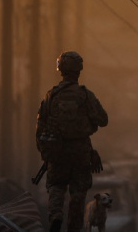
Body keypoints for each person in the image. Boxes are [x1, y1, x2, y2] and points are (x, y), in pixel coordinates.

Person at [36, 51, 109, 232]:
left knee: (56, 186)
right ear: (79, 70)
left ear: (60, 69)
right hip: (80, 151)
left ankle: (56, 216)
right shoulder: (85, 95)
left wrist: (45, 152)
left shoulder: (50, 96)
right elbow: (103, 119)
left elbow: (40, 126)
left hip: (56, 151)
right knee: (78, 194)